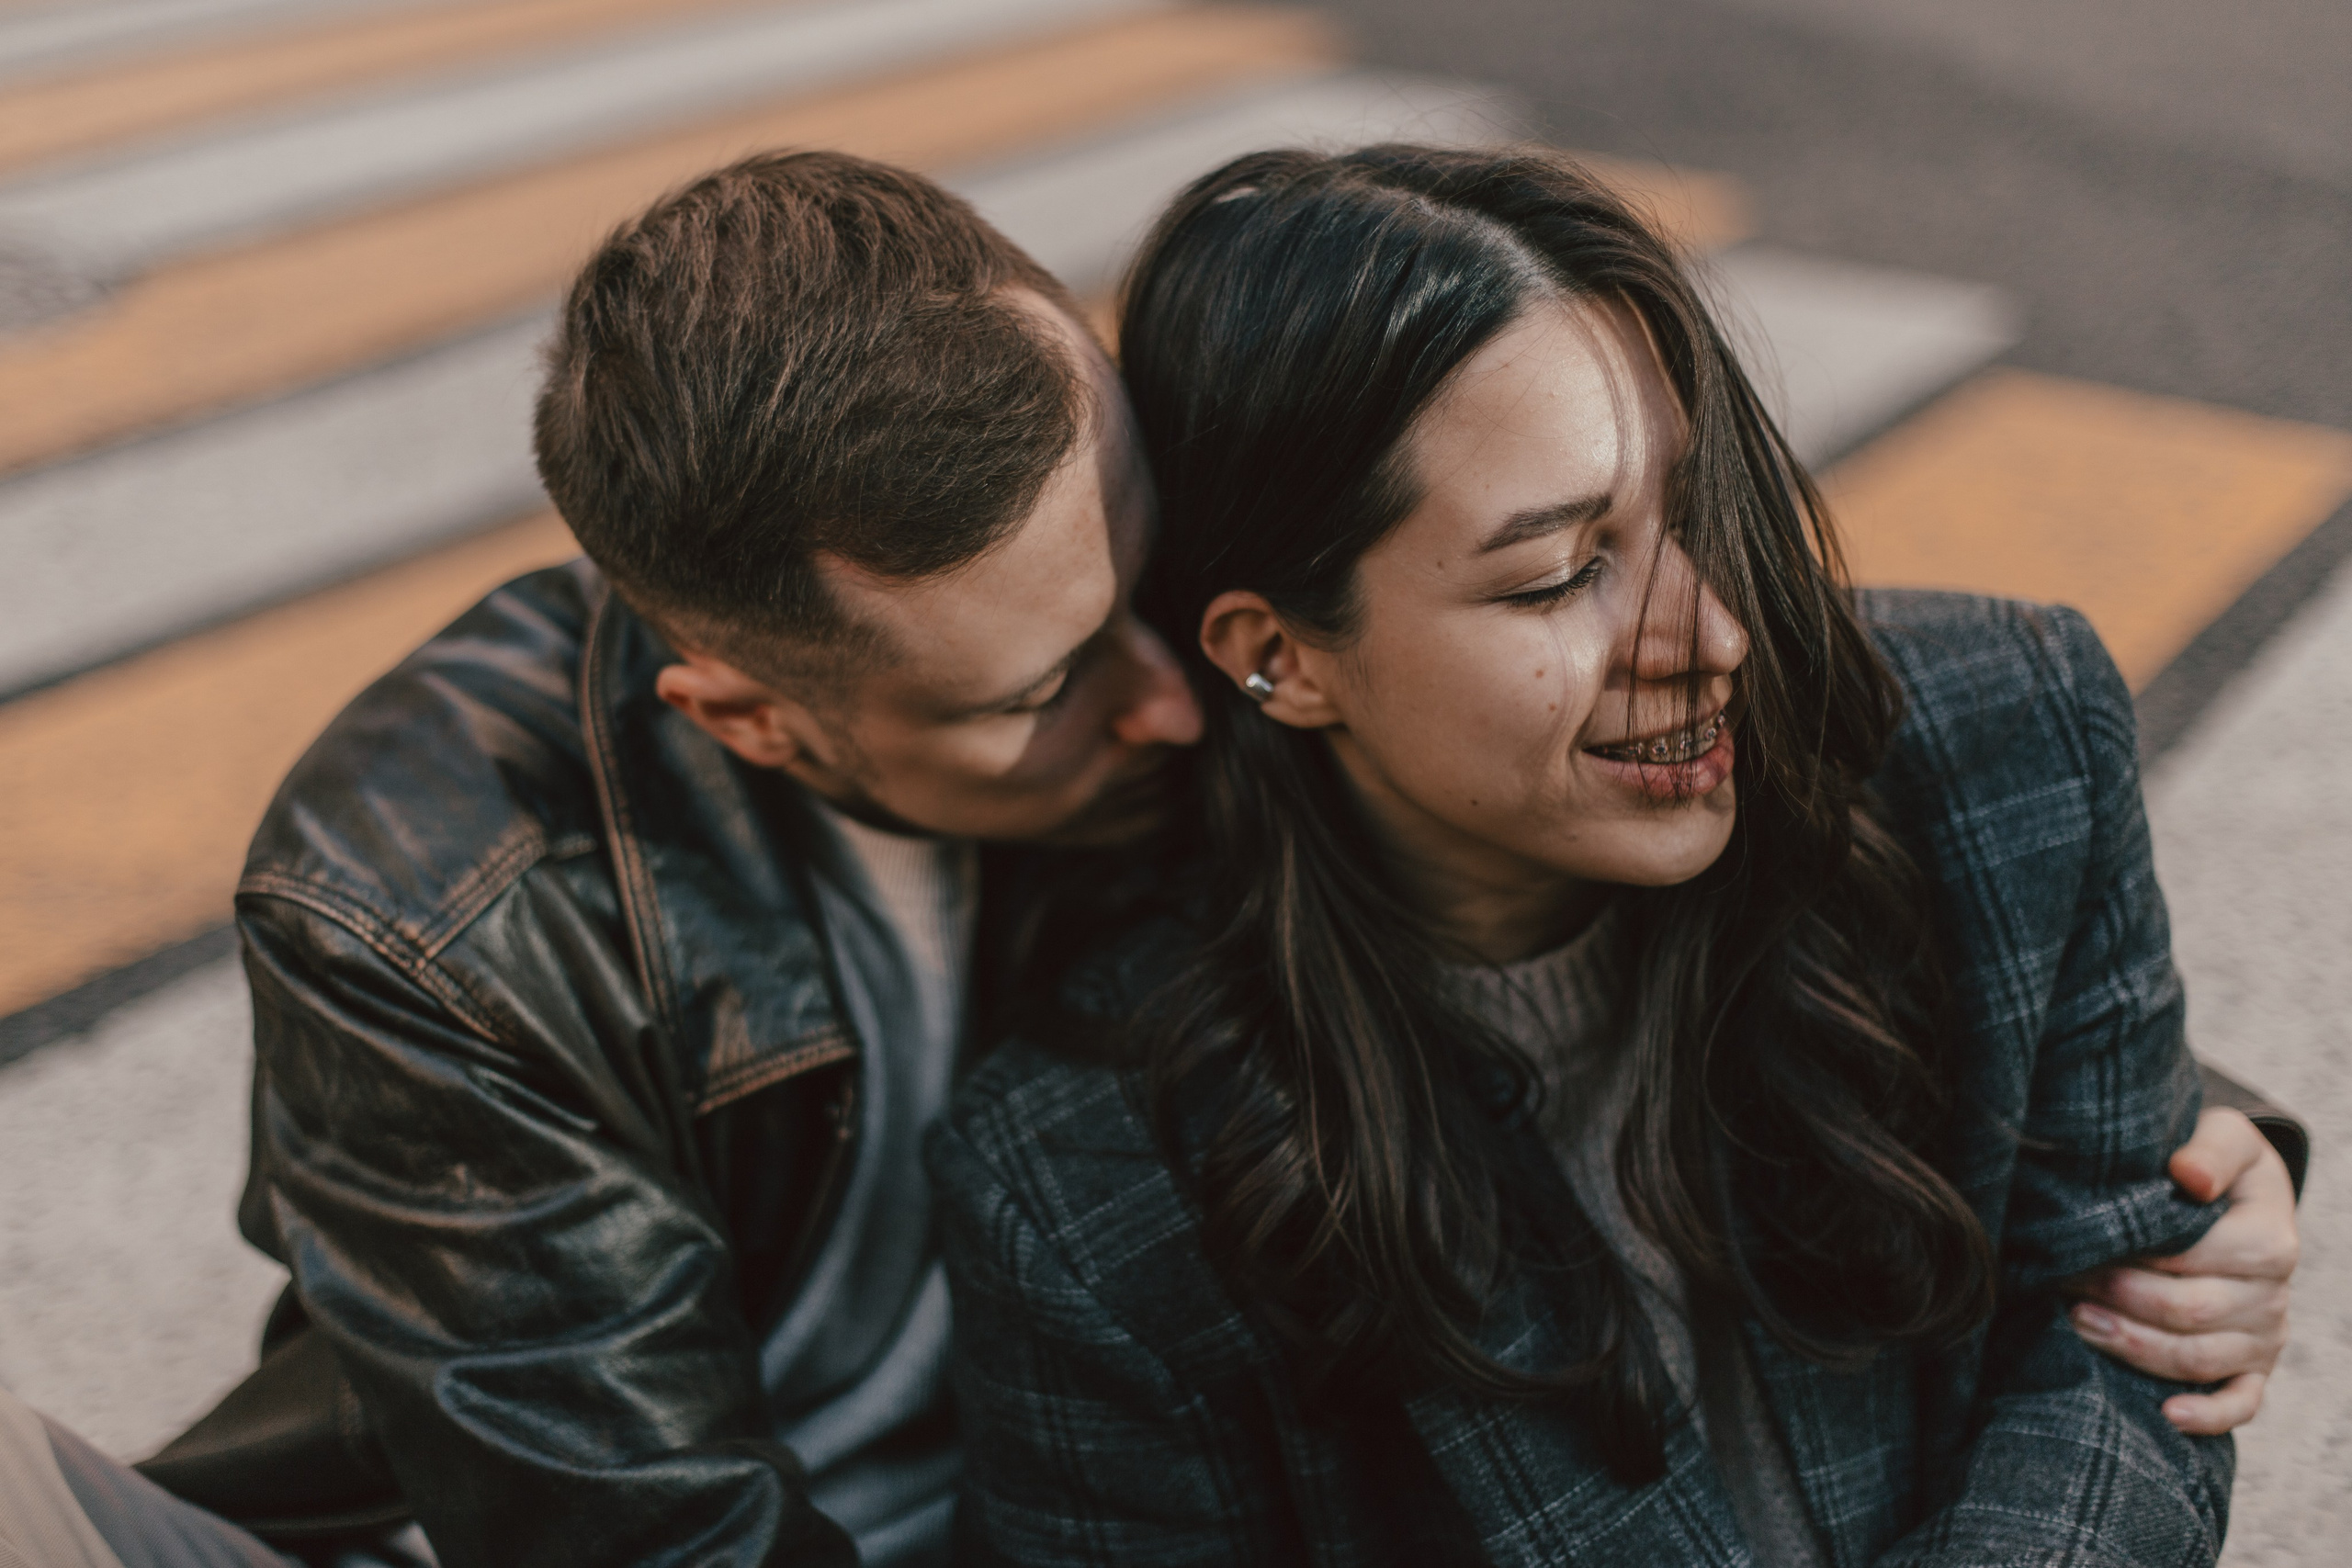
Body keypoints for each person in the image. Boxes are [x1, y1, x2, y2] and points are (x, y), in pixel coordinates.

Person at [0, 151, 2296, 1568]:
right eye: (1037, 690)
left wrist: (2193, 1136)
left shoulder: (1202, 627)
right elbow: (633, 1536)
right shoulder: (443, 913)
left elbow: (1832, 865)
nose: (1172, 710)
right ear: (755, 717)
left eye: (1148, 583)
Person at [931, 145, 2303, 1566]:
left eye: (1691, 513)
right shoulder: (1094, 1188)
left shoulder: (2002, 743)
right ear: (1280, 656)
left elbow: (2132, 1359)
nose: (1706, 637)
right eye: (1557, 575)